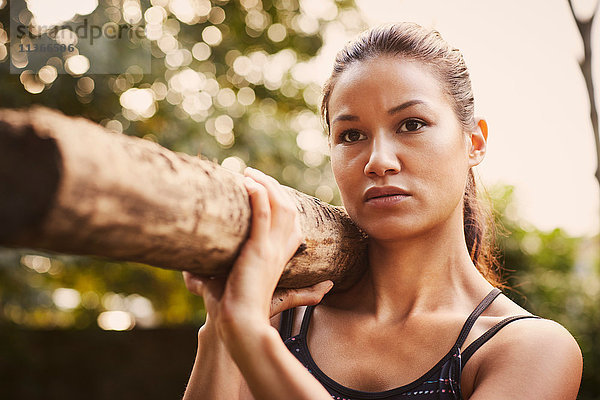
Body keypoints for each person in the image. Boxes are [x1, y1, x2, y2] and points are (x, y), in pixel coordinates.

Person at [181, 23, 583, 399]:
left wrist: (250, 337)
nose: (379, 160)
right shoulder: (280, 318)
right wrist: (219, 327)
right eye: (352, 135)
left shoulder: (527, 348)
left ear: (474, 142)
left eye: (411, 124)